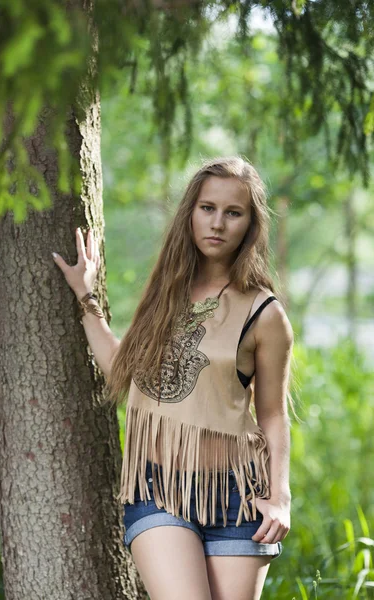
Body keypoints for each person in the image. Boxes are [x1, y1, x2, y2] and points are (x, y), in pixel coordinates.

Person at [52, 156, 294, 600]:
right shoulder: (166, 293)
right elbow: (124, 371)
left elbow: (274, 414)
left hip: (238, 498)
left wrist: (280, 496)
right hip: (158, 489)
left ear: (250, 224)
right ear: (191, 212)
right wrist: (86, 295)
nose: (217, 223)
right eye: (207, 208)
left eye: (233, 212)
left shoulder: (265, 313)